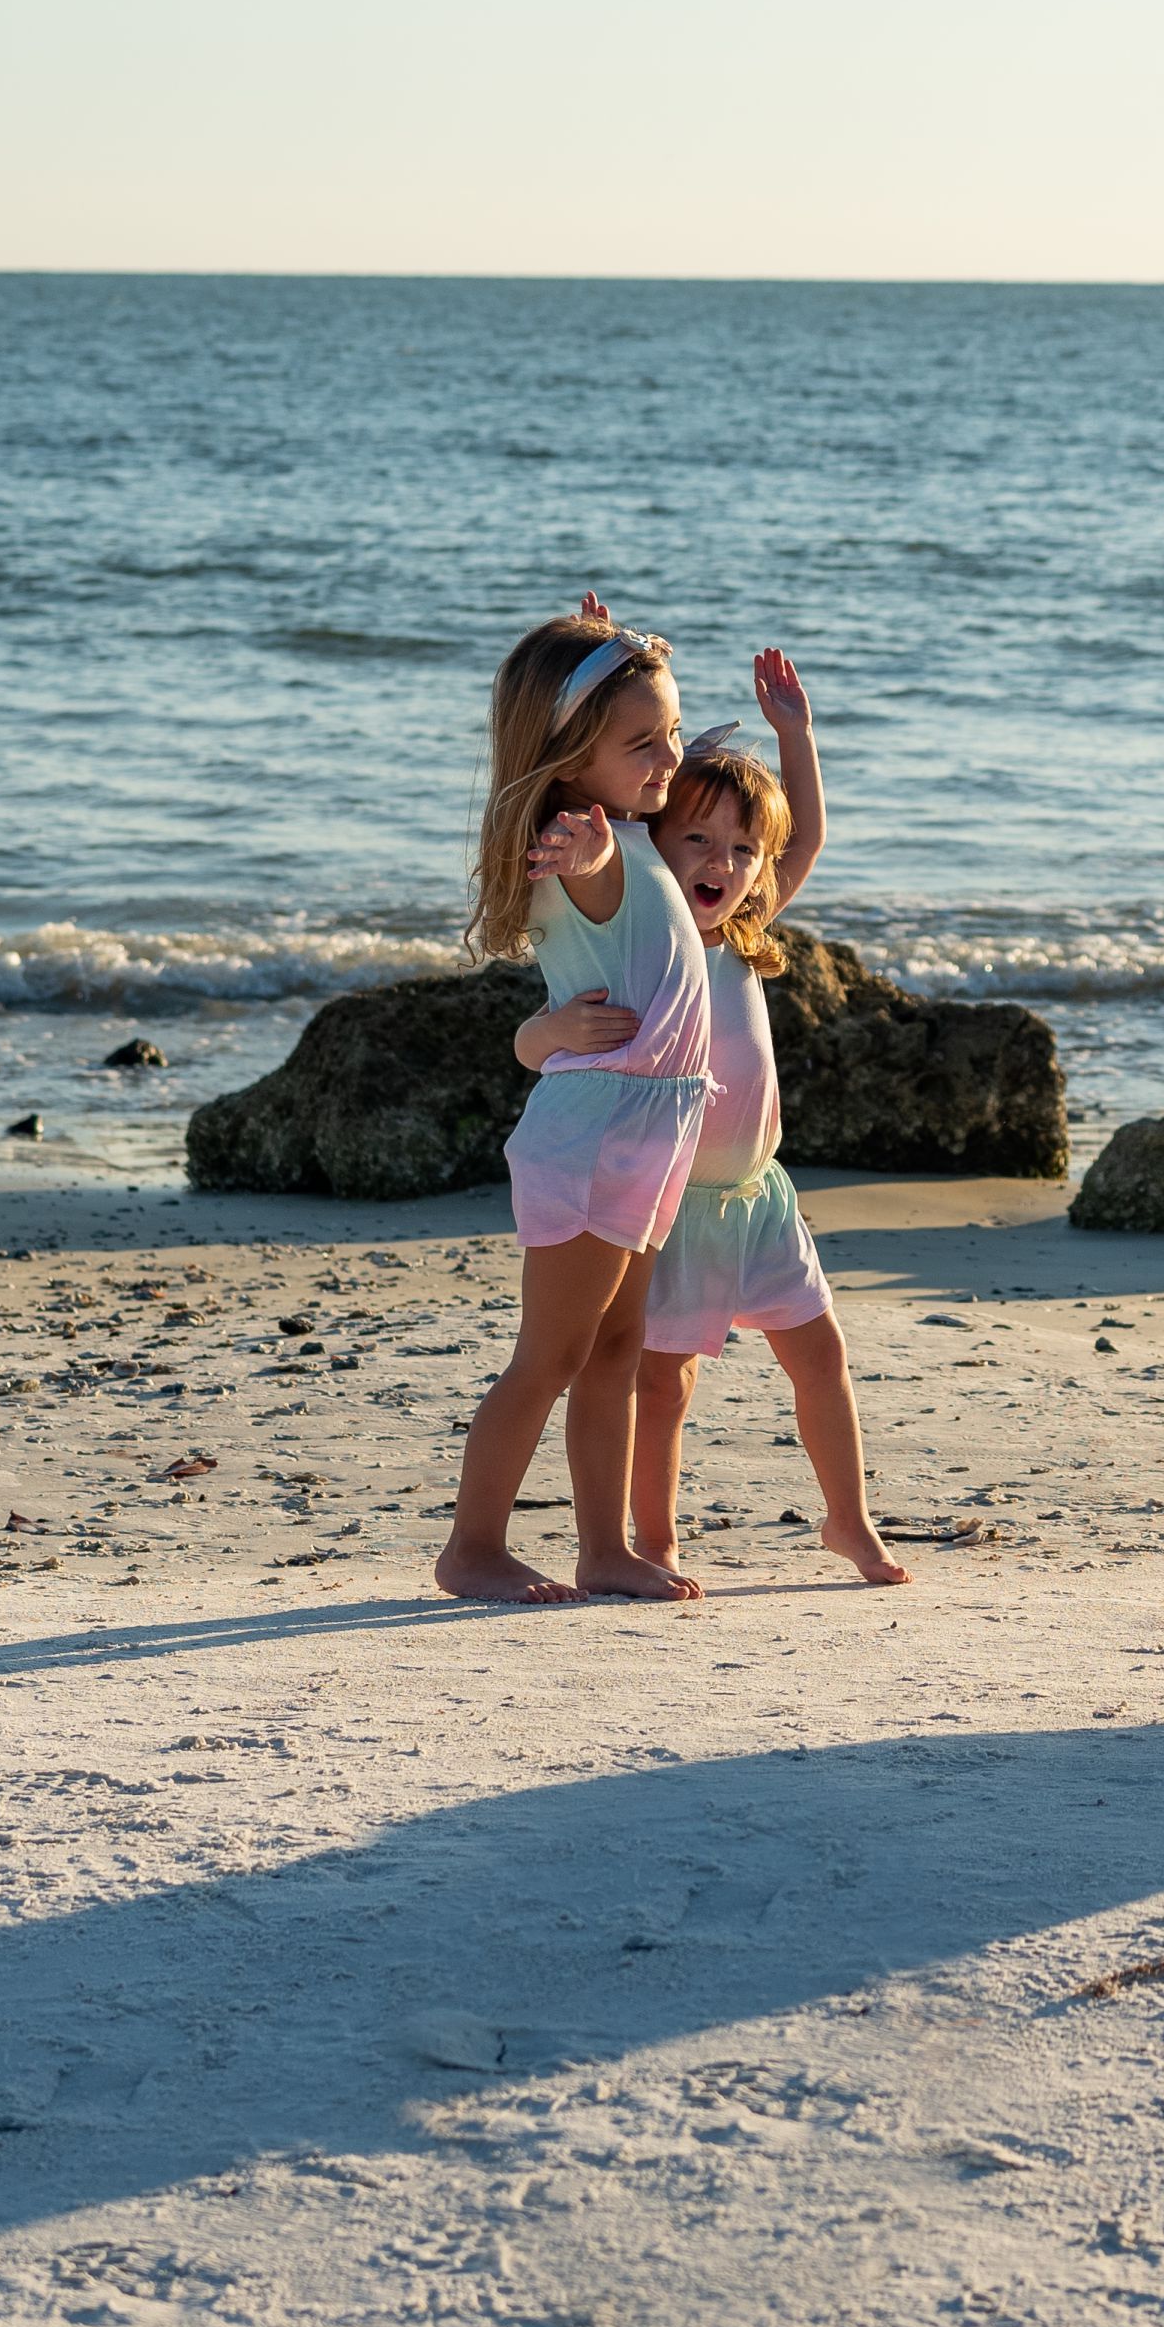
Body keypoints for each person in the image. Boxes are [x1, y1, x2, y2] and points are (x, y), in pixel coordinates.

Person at [431, 612, 718, 1606]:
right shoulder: (584, 844)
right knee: (549, 1354)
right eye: (644, 743)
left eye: (670, 731)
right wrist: (587, 845)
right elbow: (586, 863)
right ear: (569, 759)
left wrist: (614, 648)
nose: (670, 757)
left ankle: (605, 1549)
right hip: (598, 1133)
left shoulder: (630, 827)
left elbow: (629, 777)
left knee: (616, 1348)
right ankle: (473, 1546)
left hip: (648, 1130)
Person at [603, 682, 913, 1589]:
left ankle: (848, 1520)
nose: (723, 863)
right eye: (698, 839)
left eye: (742, 849)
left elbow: (803, 839)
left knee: (821, 1354)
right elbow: (600, 811)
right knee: (663, 1384)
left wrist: (795, 733)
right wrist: (605, 678)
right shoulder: (642, 933)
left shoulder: (743, 931)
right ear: (653, 839)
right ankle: (656, 1538)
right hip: (670, 1206)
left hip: (761, 1195)